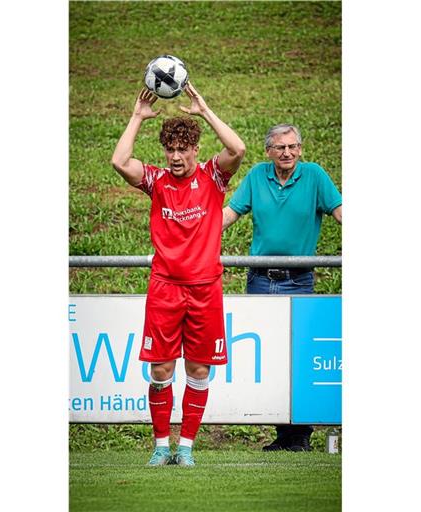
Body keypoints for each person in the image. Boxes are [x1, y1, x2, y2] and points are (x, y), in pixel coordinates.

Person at [111, 84, 246, 466]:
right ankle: (160, 447)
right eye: (169, 149)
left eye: (181, 149)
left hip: (205, 289)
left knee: (199, 368)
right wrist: (137, 116)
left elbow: (238, 149)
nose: (174, 157)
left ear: (195, 150)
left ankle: (185, 448)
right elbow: (120, 161)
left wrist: (204, 110)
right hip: (166, 287)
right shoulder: (156, 181)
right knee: (161, 368)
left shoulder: (213, 178)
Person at [222, 123, 342, 452]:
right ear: (269, 152)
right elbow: (229, 214)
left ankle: (301, 435)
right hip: (261, 279)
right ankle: (283, 433)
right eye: (280, 147)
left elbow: (340, 211)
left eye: (292, 146)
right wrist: (193, 234)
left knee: (299, 356)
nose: (286, 152)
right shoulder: (258, 176)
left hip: (299, 279)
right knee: (270, 357)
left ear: (300, 149)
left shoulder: (315, 176)